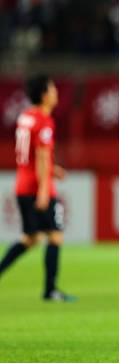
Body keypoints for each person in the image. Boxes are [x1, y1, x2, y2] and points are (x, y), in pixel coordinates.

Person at [0, 74, 73, 302]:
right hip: (37, 188)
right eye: (52, 89)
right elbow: (41, 157)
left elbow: (31, 156)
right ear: (44, 95)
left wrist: (53, 169)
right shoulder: (43, 121)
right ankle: (50, 290)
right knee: (55, 236)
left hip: (22, 185)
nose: (55, 93)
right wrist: (44, 189)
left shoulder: (26, 117)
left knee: (30, 239)